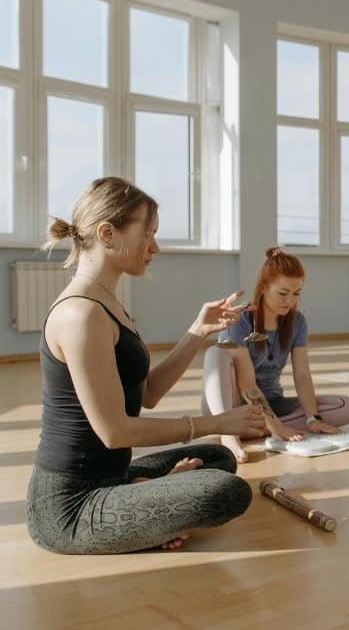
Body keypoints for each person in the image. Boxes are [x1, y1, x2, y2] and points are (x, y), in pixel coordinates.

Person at [26, 177, 265, 555]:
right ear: (108, 234)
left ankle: (143, 500)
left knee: (217, 458)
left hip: (112, 478)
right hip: (69, 508)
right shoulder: (80, 315)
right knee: (226, 491)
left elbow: (148, 395)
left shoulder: (106, 304)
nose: (155, 247)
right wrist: (218, 423)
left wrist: (198, 331)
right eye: (147, 234)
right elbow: (114, 432)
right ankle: (144, 507)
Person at [202, 248, 349, 462]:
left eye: (296, 294)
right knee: (215, 353)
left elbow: (302, 375)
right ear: (263, 287)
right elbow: (247, 384)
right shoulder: (239, 321)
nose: (289, 301)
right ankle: (228, 431)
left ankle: (253, 428)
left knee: (347, 407)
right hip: (232, 403)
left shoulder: (297, 322)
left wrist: (313, 419)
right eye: (283, 293)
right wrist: (274, 424)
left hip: (271, 403)